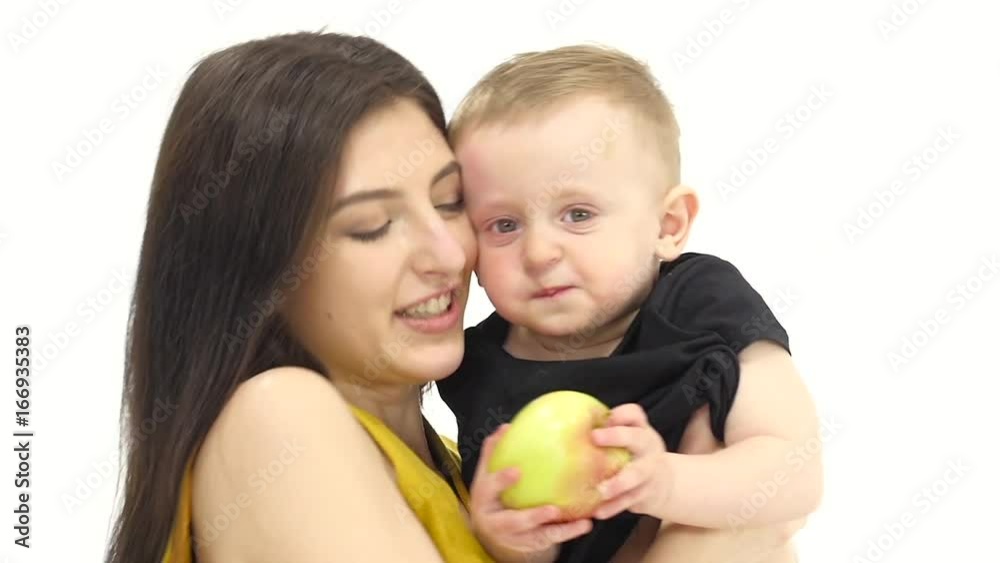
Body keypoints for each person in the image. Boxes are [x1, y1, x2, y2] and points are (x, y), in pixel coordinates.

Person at [106, 32, 805, 563]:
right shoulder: (276, 418)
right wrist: (717, 534)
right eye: (373, 226)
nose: (450, 254)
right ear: (262, 269)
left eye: (449, 203)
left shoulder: (466, 462)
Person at [438, 44, 823, 562]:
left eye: (577, 214)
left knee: (724, 532)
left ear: (668, 226)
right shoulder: (478, 365)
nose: (538, 253)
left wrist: (667, 483)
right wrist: (506, 534)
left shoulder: (704, 303)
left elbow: (795, 473)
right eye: (503, 225)